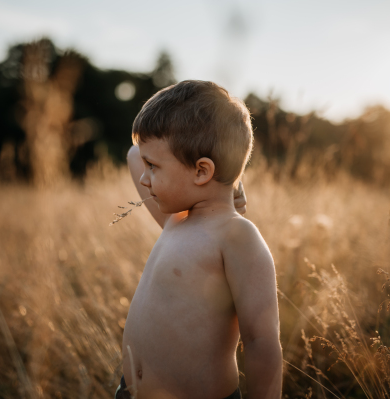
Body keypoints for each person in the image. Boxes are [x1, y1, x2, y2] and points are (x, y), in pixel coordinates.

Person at [117, 80, 282, 399]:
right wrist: (232, 183)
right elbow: (134, 152)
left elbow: (262, 341)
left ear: (202, 171)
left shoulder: (236, 237)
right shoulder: (175, 219)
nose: (143, 176)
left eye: (153, 167)